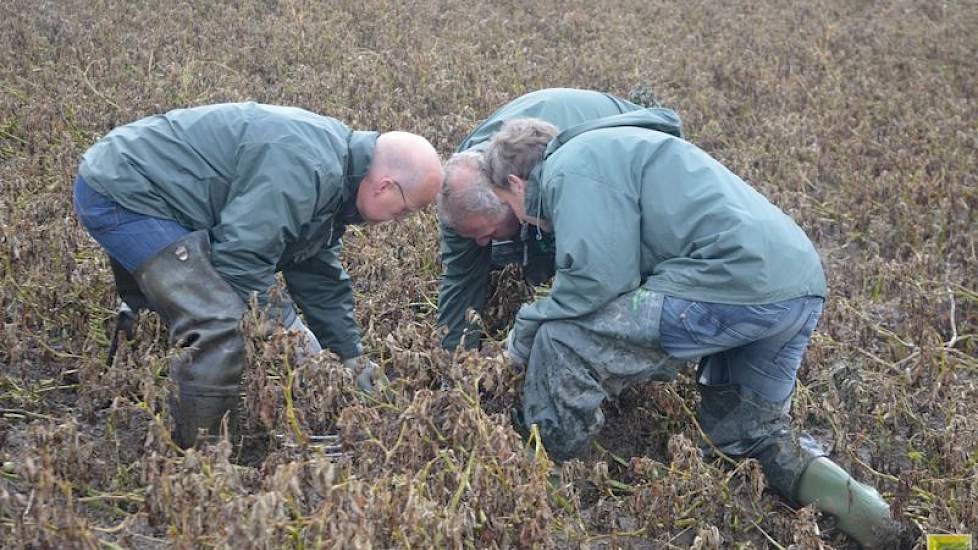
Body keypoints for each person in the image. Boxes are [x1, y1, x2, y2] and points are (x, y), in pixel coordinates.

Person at [464, 114, 902, 548]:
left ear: (517, 184)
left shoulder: (571, 168)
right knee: (748, 433)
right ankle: (877, 521)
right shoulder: (617, 146)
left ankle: (542, 485)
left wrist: (520, 338)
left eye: (510, 205)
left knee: (563, 341)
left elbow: (596, 284)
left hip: (730, 283)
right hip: (796, 286)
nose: (520, 220)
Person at [73, 102, 443, 447]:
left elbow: (318, 278)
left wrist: (350, 359)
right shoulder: (309, 169)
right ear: (385, 186)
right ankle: (203, 459)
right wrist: (297, 340)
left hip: (148, 187)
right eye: (404, 212)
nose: (398, 222)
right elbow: (240, 265)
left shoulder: (337, 176)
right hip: (126, 192)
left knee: (186, 291)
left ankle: (127, 379)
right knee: (218, 319)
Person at [437, 88, 678, 351]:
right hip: (549, 179)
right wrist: (453, 364)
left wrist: (525, 337)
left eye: (488, 232)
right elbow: (460, 280)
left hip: (638, 159)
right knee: (496, 254)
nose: (481, 242)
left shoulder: (569, 177)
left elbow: (598, 278)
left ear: (509, 194)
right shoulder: (458, 191)